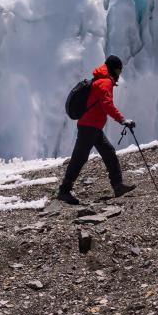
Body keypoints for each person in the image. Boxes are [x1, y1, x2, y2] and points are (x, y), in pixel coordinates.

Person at [57, 56, 137, 205]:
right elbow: (107, 104)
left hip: (93, 127)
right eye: (119, 70)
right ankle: (64, 190)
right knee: (80, 158)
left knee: (108, 152)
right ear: (114, 69)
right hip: (89, 126)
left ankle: (118, 186)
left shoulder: (100, 80)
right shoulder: (105, 82)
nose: (119, 74)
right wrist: (122, 120)